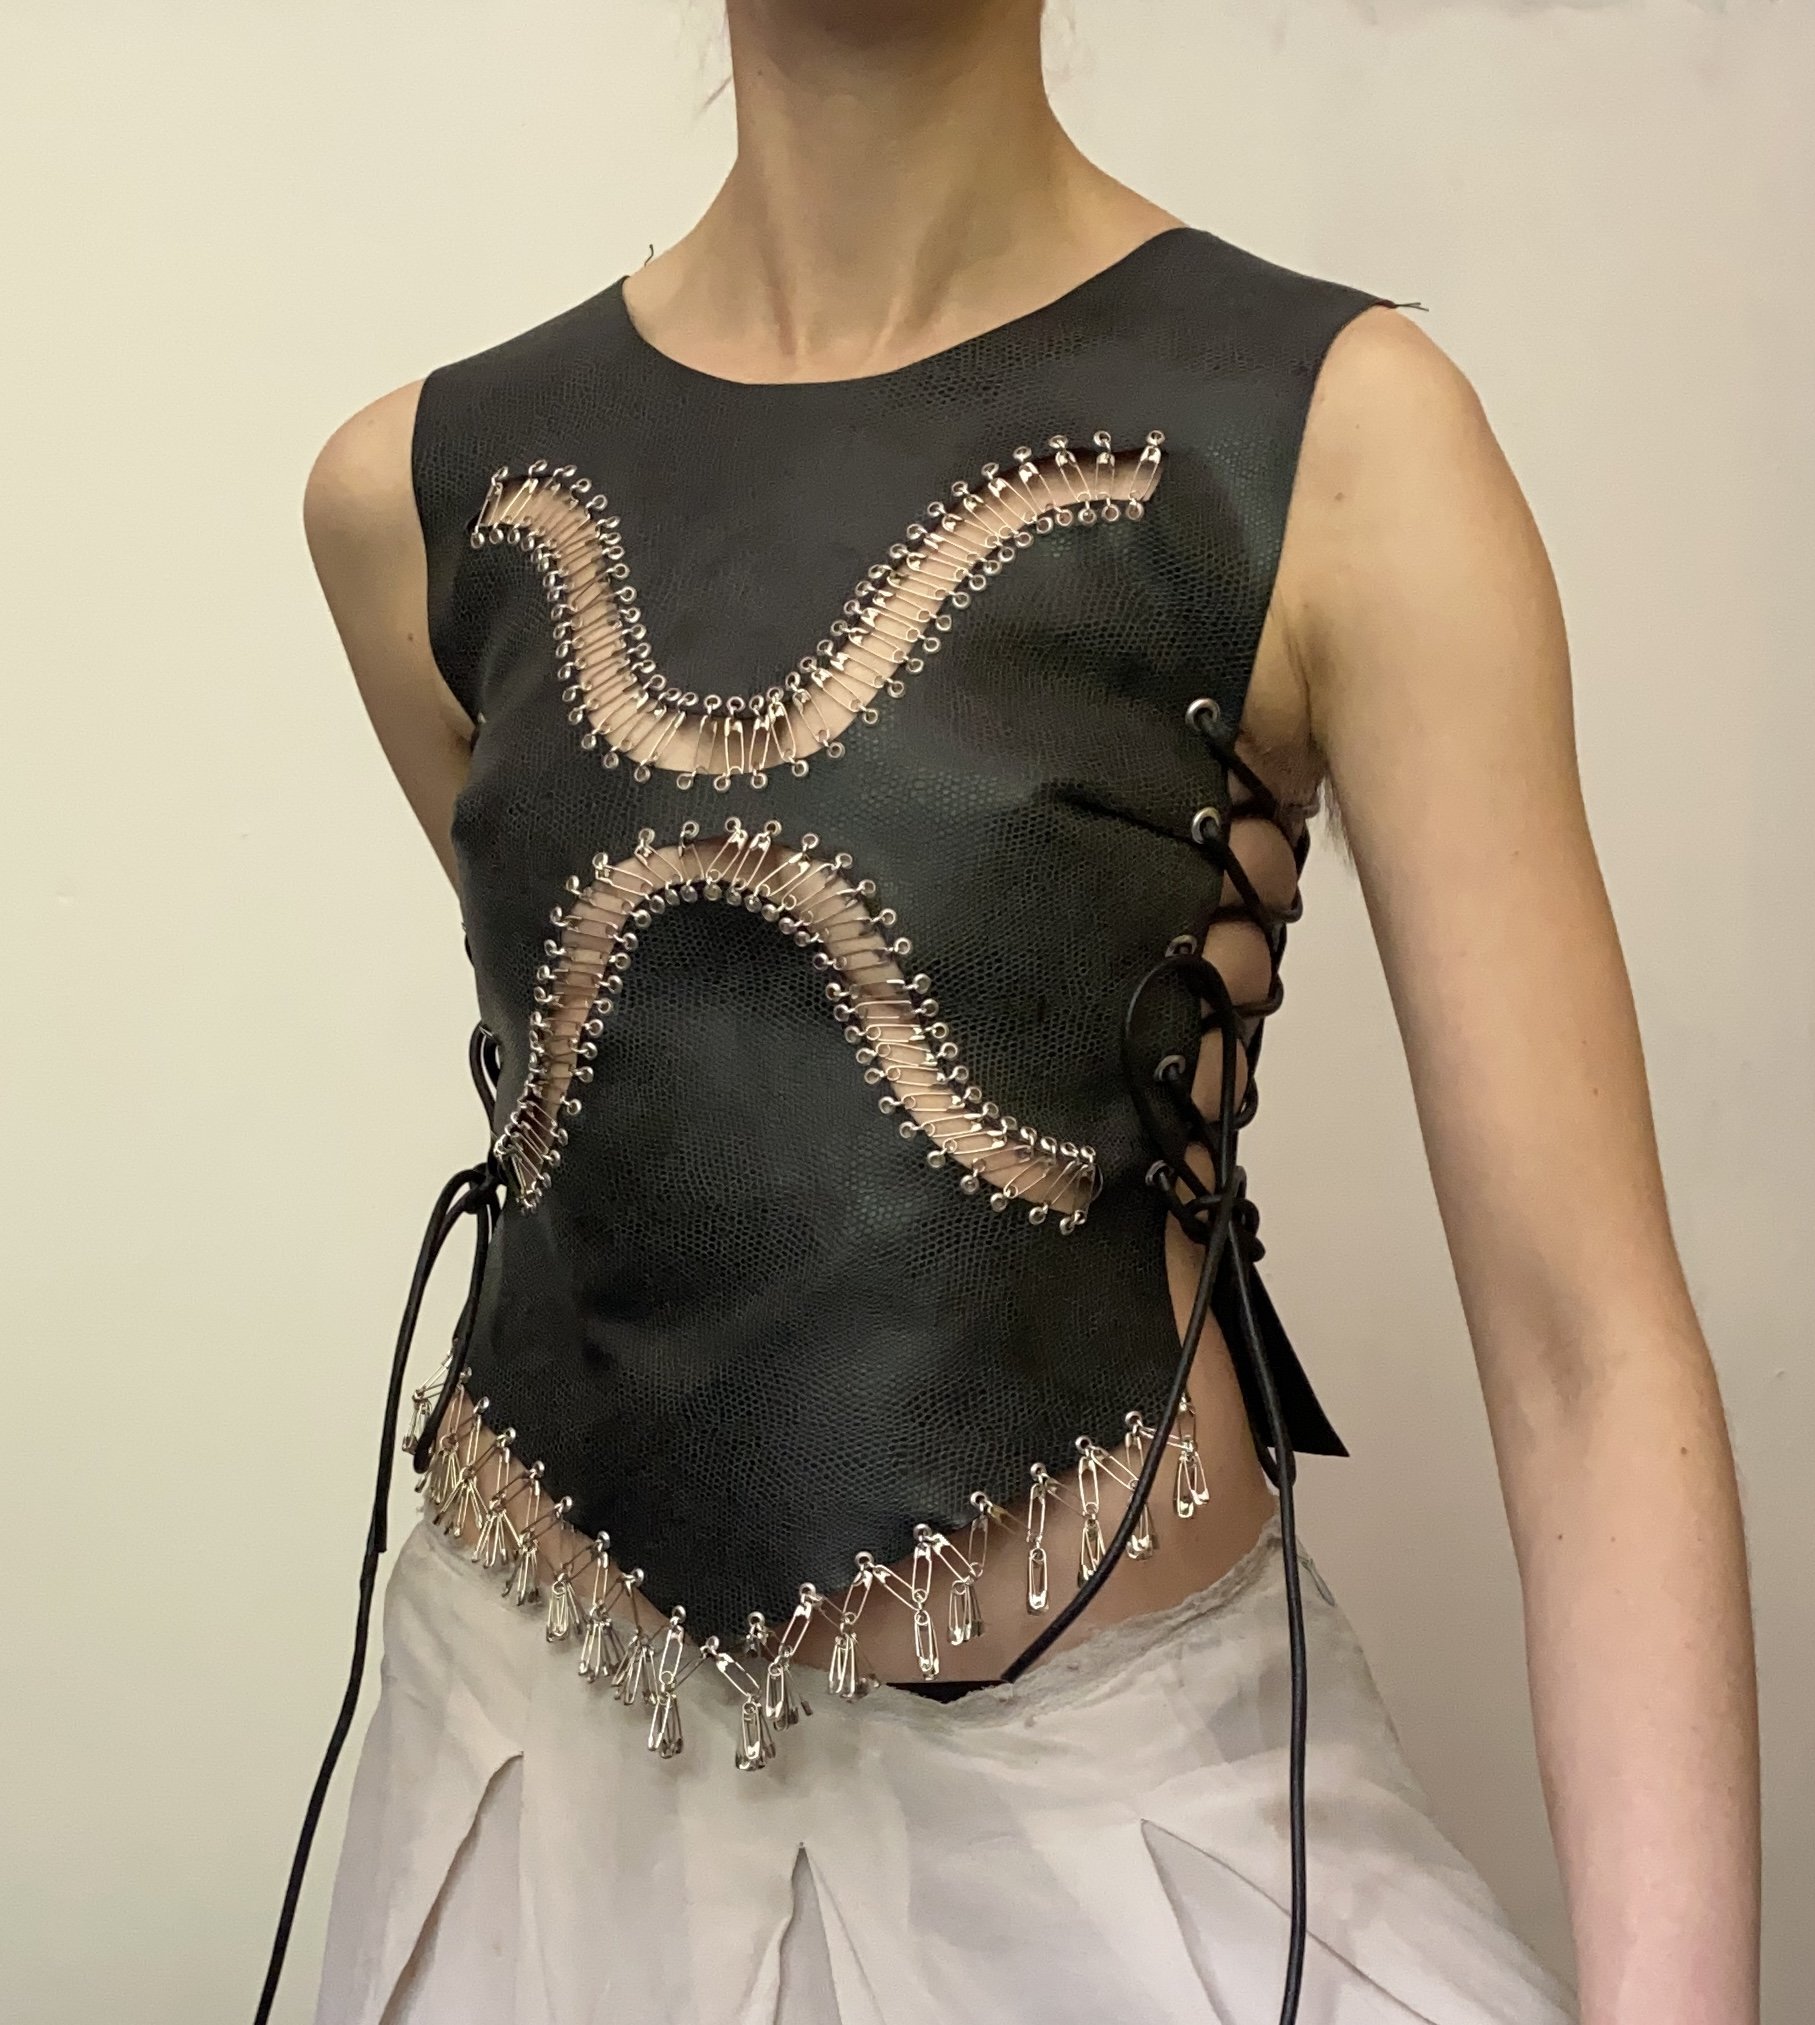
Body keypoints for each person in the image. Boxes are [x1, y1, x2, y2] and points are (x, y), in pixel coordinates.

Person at [275, 3, 1759, 2022]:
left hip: (1102, 1849)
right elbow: (648, 1119)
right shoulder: (411, 497)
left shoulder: (1341, 447)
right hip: (516, 1817)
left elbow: (1588, 1349)